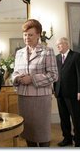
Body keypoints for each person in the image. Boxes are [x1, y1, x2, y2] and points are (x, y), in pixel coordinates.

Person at [12, 19, 58, 147]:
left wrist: (32, 78)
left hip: (41, 99)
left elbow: (54, 75)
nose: (27, 37)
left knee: (42, 134)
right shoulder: (19, 53)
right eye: (25, 34)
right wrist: (17, 79)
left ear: (38, 35)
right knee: (28, 133)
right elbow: (15, 73)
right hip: (23, 98)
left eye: (30, 35)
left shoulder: (47, 51)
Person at [54, 37, 80, 147]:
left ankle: (78, 140)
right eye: (57, 45)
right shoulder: (57, 58)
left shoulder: (76, 56)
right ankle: (67, 138)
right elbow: (55, 75)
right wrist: (54, 90)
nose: (58, 47)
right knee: (64, 117)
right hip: (59, 93)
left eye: (60, 44)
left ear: (66, 44)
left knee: (75, 117)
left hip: (73, 93)